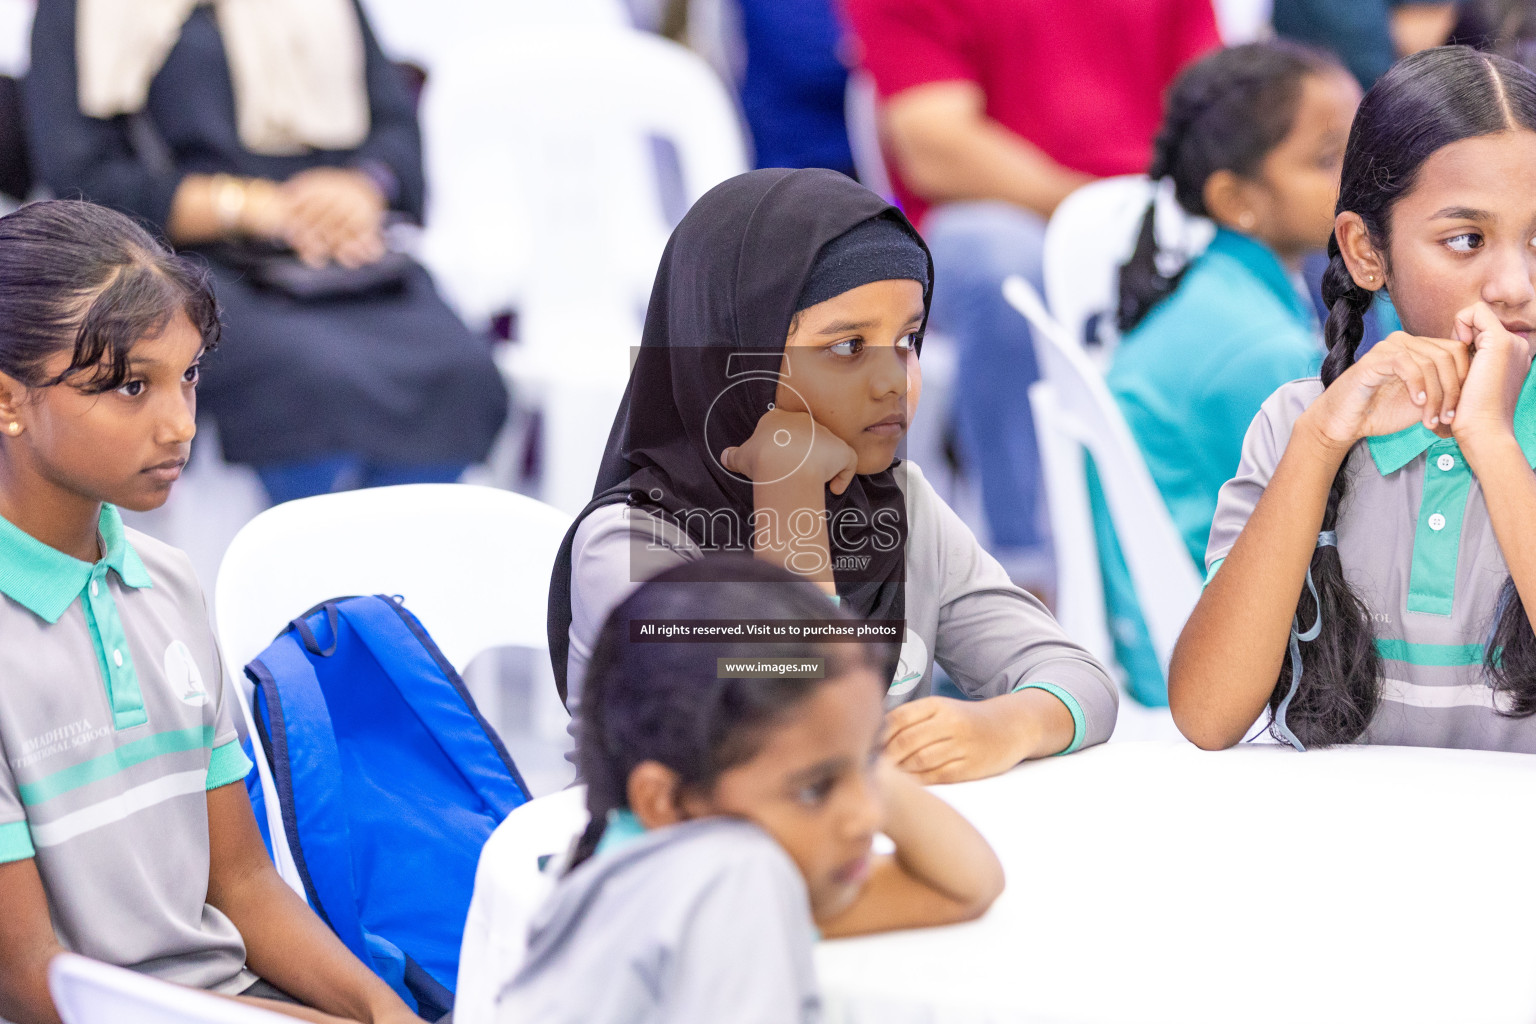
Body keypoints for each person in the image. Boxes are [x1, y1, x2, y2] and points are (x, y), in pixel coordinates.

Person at [548, 168, 1118, 784]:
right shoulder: (633, 545)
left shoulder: (903, 508)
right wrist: (790, 493)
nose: (893, 381)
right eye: (847, 346)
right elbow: (793, 729)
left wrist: (1008, 725)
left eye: (908, 339)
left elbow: (1079, 678)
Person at [0, 201, 421, 1024]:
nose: (179, 424)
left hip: (228, 1002)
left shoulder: (169, 581)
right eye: (130, 386)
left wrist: (380, 1011)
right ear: (8, 401)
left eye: (188, 376)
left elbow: (243, 885)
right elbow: (27, 977)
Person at [1169, 46, 1536, 753]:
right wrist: (1317, 444)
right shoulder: (1299, 424)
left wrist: (1488, 438)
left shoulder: (1502, 433)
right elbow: (1208, 713)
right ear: (1366, 251)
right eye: (1466, 239)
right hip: (1342, 850)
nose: (1514, 285)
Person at [24, 0, 508, 505]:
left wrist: (361, 187)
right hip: (183, 265)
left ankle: (386, 562)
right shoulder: (79, 10)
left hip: (343, 260)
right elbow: (84, 179)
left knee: (461, 370)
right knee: (314, 380)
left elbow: (395, 128)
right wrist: (252, 207)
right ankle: (304, 559)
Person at [502, 557, 1004, 1023]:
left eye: (870, 767)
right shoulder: (734, 882)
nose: (867, 816)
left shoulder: (659, 861)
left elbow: (964, 886)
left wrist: (844, 745)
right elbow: (964, 887)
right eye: (814, 790)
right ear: (666, 801)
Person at [843, 0, 1221, 577]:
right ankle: (1023, 571)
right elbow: (936, 150)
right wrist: (1099, 218)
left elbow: (1218, 108)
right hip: (995, 214)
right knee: (1007, 271)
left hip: (1156, 206)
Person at [1094, 41, 1359, 705]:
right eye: (1331, 159)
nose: (1368, 174)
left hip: (1178, 642)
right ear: (1238, 200)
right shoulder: (1259, 350)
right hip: (1210, 668)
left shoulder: (1229, 296)